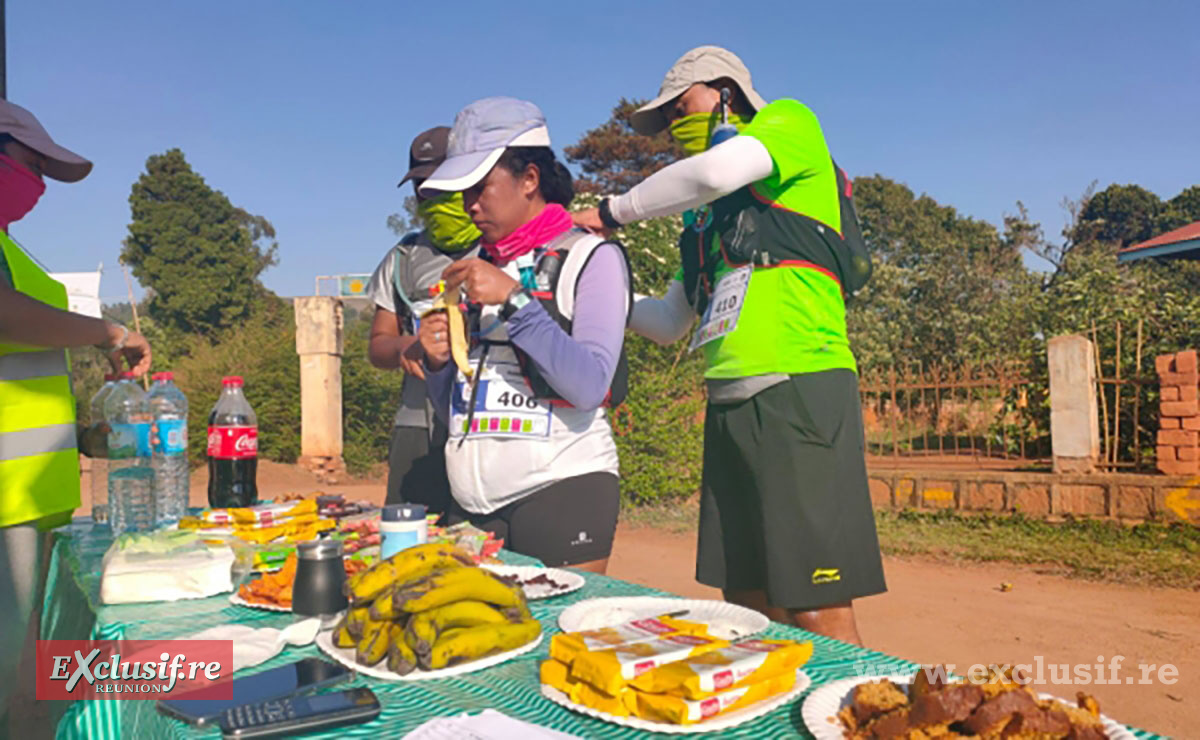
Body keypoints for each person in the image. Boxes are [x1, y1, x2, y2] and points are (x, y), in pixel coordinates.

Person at [574, 46, 884, 644]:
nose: (673, 130)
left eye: (680, 109)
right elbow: (669, 321)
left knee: (814, 601)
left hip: (798, 386)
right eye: (665, 123)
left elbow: (715, 170)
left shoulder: (789, 123)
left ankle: (848, 715)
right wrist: (586, 301)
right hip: (729, 404)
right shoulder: (705, 219)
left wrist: (610, 213)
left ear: (724, 92)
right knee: (745, 600)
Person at [416, 97, 631, 574]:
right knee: (472, 643)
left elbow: (591, 384)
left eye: (481, 187)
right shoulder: (473, 266)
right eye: (463, 191)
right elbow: (453, 400)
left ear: (529, 179)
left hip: (563, 487)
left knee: (556, 641)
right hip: (470, 501)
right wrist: (436, 364)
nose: (471, 204)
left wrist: (514, 302)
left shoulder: (591, 258)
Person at [0, 100, 151, 719]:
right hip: (7, 504)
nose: (36, 183)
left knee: (28, 673)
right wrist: (107, 333)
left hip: (32, 500)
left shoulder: (10, 249)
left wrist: (84, 435)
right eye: (30, 164)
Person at [366, 126, 481, 513]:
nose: (432, 196)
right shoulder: (404, 256)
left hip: (488, 426)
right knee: (408, 541)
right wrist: (405, 347)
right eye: (422, 188)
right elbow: (378, 343)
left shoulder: (505, 247)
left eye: (443, 184)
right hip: (417, 424)